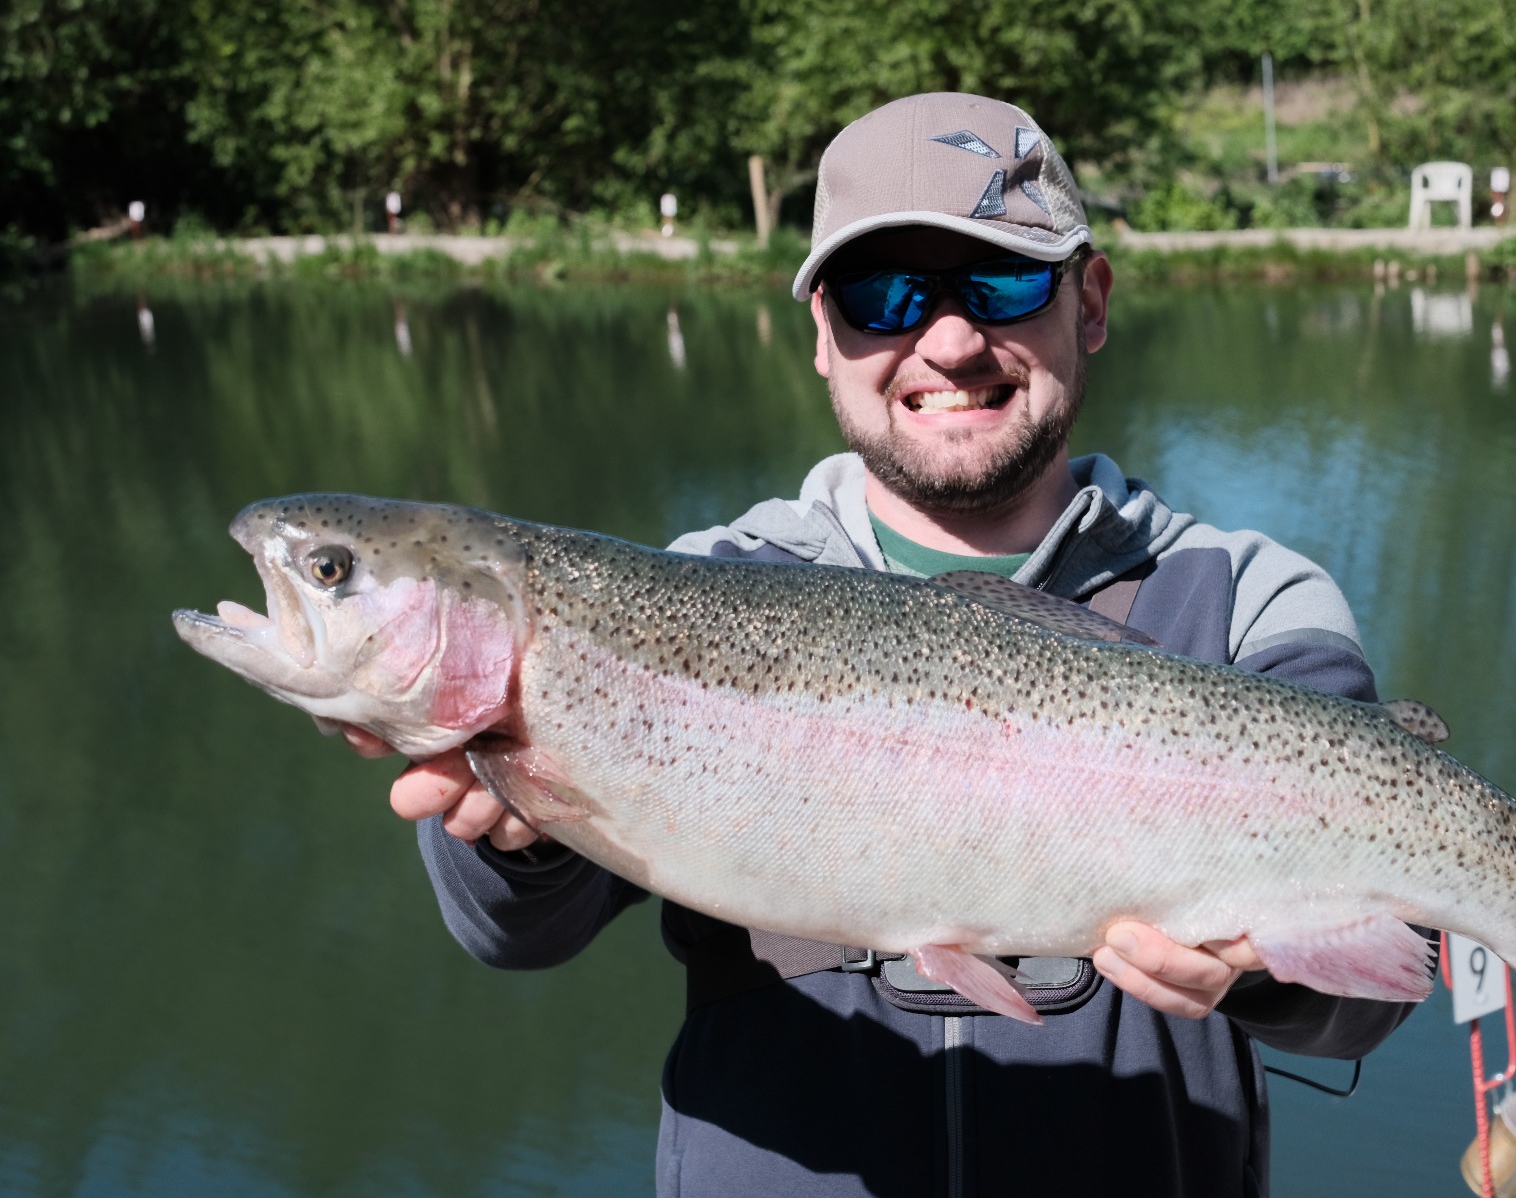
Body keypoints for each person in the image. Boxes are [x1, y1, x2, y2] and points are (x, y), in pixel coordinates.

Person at [347, 92, 1421, 1197]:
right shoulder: (702, 586)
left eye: (1001, 281)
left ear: (1088, 302)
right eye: (884, 293)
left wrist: (1257, 974)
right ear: (820, 331)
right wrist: (514, 836)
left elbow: (1370, 998)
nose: (948, 341)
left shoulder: (1249, 602)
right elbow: (515, 937)